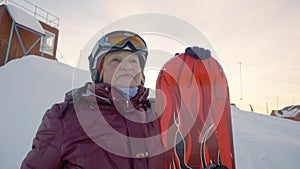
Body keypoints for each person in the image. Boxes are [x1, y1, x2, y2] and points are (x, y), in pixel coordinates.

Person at [21, 30, 165, 169]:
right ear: (99, 71)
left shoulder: (157, 113)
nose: (126, 66)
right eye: (116, 60)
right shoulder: (66, 117)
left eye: (133, 61)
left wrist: (186, 64)